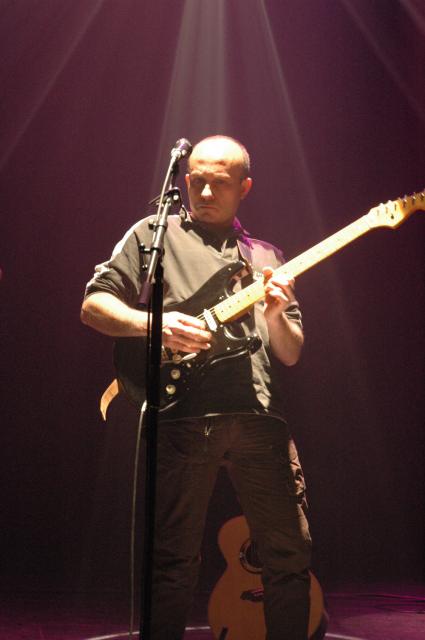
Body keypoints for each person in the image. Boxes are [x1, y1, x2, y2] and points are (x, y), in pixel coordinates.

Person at [81, 135, 312, 640]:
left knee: (289, 557)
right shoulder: (153, 234)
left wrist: (276, 314)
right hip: (183, 416)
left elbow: (291, 352)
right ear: (184, 180)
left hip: (259, 419)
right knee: (171, 561)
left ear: (244, 187)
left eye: (220, 183)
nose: (205, 192)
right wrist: (156, 325)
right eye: (197, 181)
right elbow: (94, 306)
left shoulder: (266, 255)